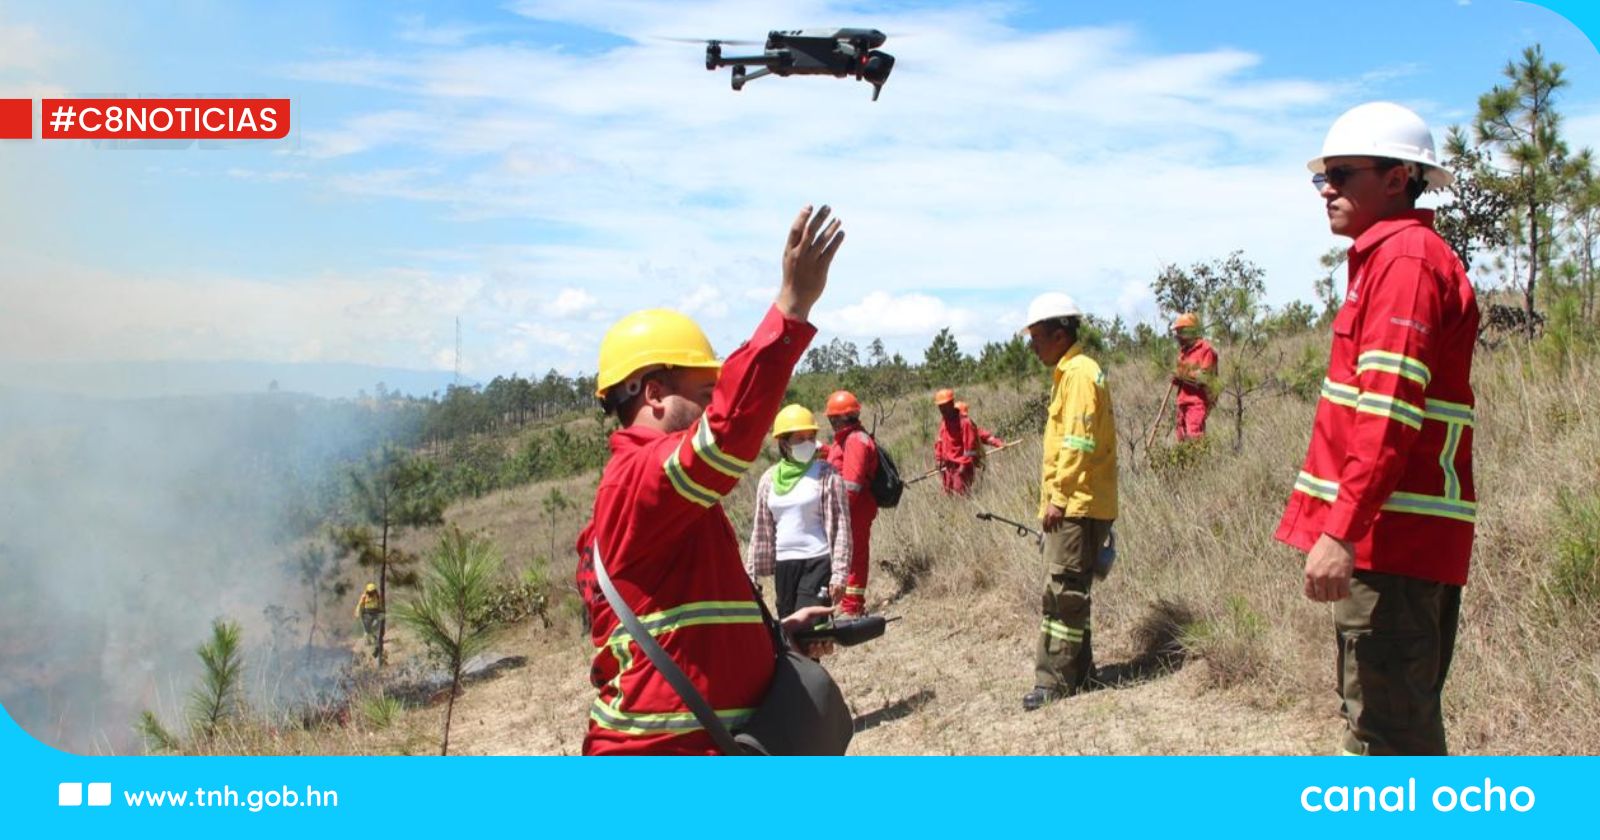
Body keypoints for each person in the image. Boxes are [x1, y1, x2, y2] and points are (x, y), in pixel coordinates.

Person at [573, 205, 846, 755]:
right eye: (702, 393)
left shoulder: (666, 500)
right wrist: (791, 308)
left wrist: (776, 635)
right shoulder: (636, 481)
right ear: (652, 393)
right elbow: (727, 432)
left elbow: (682, 623)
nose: (708, 409)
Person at [1277, 102, 1478, 756]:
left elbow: (1388, 414)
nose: (1326, 189)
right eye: (1321, 178)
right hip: (1388, 538)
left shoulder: (1406, 262)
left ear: (1397, 179)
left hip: (1391, 541)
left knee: (1387, 743)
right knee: (1392, 729)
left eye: (1343, 174)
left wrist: (1342, 529)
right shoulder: (1390, 259)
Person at [1019, 292, 1118, 711]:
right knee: (1072, 590)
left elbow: (1077, 444)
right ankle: (1079, 672)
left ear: (1060, 335)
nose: (1032, 345)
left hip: (1076, 504)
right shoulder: (1072, 373)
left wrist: (1057, 499)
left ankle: (1054, 681)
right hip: (1079, 502)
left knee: (1062, 594)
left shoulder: (1078, 374)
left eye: (1037, 336)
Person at [745, 404, 852, 619]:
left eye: (811, 437)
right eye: (799, 438)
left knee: (810, 631)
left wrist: (839, 574)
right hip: (785, 565)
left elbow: (842, 527)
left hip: (817, 562)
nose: (807, 443)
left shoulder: (826, 474)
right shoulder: (769, 479)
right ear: (784, 443)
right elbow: (761, 530)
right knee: (789, 633)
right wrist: (751, 573)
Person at [823, 389, 878, 617]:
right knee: (845, 556)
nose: (832, 422)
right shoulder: (847, 439)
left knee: (855, 557)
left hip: (853, 511)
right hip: (847, 510)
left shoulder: (855, 440)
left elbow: (852, 486)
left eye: (833, 418)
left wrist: (835, 511)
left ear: (840, 418)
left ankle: (852, 606)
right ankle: (844, 603)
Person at [1169, 313, 1217, 441]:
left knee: (1195, 437)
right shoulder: (1183, 352)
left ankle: (1199, 462)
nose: (1177, 336)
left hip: (1197, 402)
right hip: (1182, 402)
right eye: (1177, 332)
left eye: (1180, 331)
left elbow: (1205, 377)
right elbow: (1179, 379)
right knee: (1181, 438)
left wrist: (1183, 374)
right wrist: (1176, 376)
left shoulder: (1206, 350)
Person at [933, 388, 980, 496]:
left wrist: (963, 466)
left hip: (961, 467)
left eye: (944, 406)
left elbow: (970, 449)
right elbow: (940, 442)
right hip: (947, 468)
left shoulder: (965, 423)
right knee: (948, 496)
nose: (942, 409)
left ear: (951, 404)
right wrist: (939, 459)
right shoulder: (944, 422)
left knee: (961, 497)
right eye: (940, 407)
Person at [353, 582, 384, 660]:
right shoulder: (364, 596)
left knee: (375, 627)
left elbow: (380, 604)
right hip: (367, 614)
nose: (371, 593)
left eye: (372, 591)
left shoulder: (377, 596)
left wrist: (382, 611)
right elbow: (360, 605)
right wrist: (357, 612)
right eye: (370, 592)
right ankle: (370, 643)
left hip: (375, 613)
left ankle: (375, 643)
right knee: (367, 630)